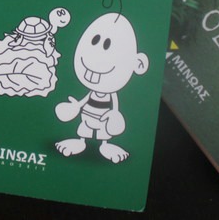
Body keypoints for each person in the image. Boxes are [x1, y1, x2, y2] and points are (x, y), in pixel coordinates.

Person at [55, 12, 149, 163]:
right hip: (86, 117)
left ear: (138, 64)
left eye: (107, 45)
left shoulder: (111, 93)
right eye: (95, 41)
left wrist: (114, 116)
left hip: (103, 119)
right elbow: (85, 100)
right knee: (84, 129)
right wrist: (76, 106)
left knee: (103, 133)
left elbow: (115, 109)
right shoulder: (92, 91)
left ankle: (105, 145)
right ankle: (80, 142)